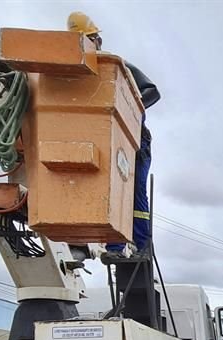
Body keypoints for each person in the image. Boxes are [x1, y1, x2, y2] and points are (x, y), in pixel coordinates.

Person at [67, 12, 160, 258]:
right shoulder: (76, 74)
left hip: (134, 142)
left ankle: (143, 246)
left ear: (96, 40)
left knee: (134, 191)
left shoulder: (115, 66)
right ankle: (115, 247)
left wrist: (126, 110)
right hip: (103, 141)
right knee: (108, 190)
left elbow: (152, 92)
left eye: (90, 40)